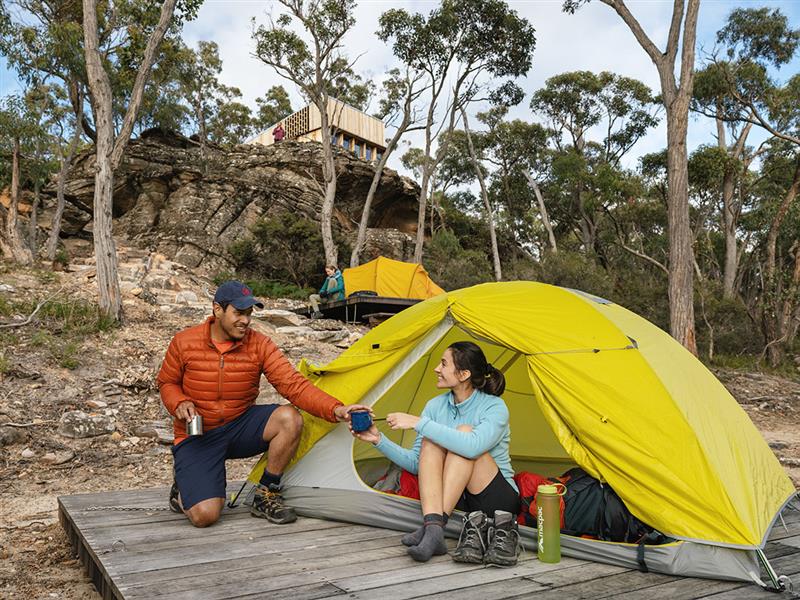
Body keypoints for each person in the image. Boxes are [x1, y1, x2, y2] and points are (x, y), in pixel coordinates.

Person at [158, 280, 368, 528]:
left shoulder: (260, 344)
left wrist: (336, 409)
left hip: (239, 425)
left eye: (248, 314)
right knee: (205, 516)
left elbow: (293, 385)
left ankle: (266, 492)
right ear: (217, 310)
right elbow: (167, 382)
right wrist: (179, 402)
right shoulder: (184, 342)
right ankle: (184, 484)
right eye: (238, 313)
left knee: (289, 418)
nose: (245, 321)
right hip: (198, 434)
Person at [350, 341, 521, 566]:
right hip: (458, 501)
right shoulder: (435, 406)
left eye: (443, 364)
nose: (436, 369)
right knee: (431, 442)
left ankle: (433, 529)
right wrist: (378, 440)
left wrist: (419, 423)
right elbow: (415, 463)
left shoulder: (494, 407)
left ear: (464, 374)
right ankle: (434, 529)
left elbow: (472, 447)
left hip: (497, 500)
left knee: (464, 434)